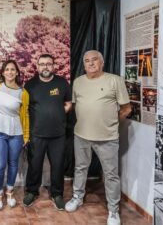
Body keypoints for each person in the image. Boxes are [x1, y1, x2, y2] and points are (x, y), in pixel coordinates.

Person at [65, 50, 131, 225]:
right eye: (87, 61)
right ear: (84, 64)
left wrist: (110, 123)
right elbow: (75, 106)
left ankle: (113, 211)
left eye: (94, 60)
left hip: (107, 138)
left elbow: (126, 108)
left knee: (111, 175)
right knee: (80, 168)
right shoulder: (78, 82)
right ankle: (77, 197)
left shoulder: (114, 80)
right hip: (81, 136)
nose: (91, 63)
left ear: (101, 62)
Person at [23, 54, 72, 210]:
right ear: (37, 66)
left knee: (57, 166)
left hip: (58, 135)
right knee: (34, 165)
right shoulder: (30, 85)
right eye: (42, 64)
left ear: (53, 66)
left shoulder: (62, 83)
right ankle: (32, 191)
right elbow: (24, 109)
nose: (45, 67)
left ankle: (57, 194)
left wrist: (57, 114)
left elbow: (68, 103)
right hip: (36, 134)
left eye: (48, 64)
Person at [0, 60, 29, 210]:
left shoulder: (23, 93)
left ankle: (10, 192)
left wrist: (25, 136)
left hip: (16, 133)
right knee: (0, 165)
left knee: (13, 164)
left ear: (17, 72)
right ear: (3, 72)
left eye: (13, 69)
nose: (10, 72)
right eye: (7, 69)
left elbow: (25, 115)